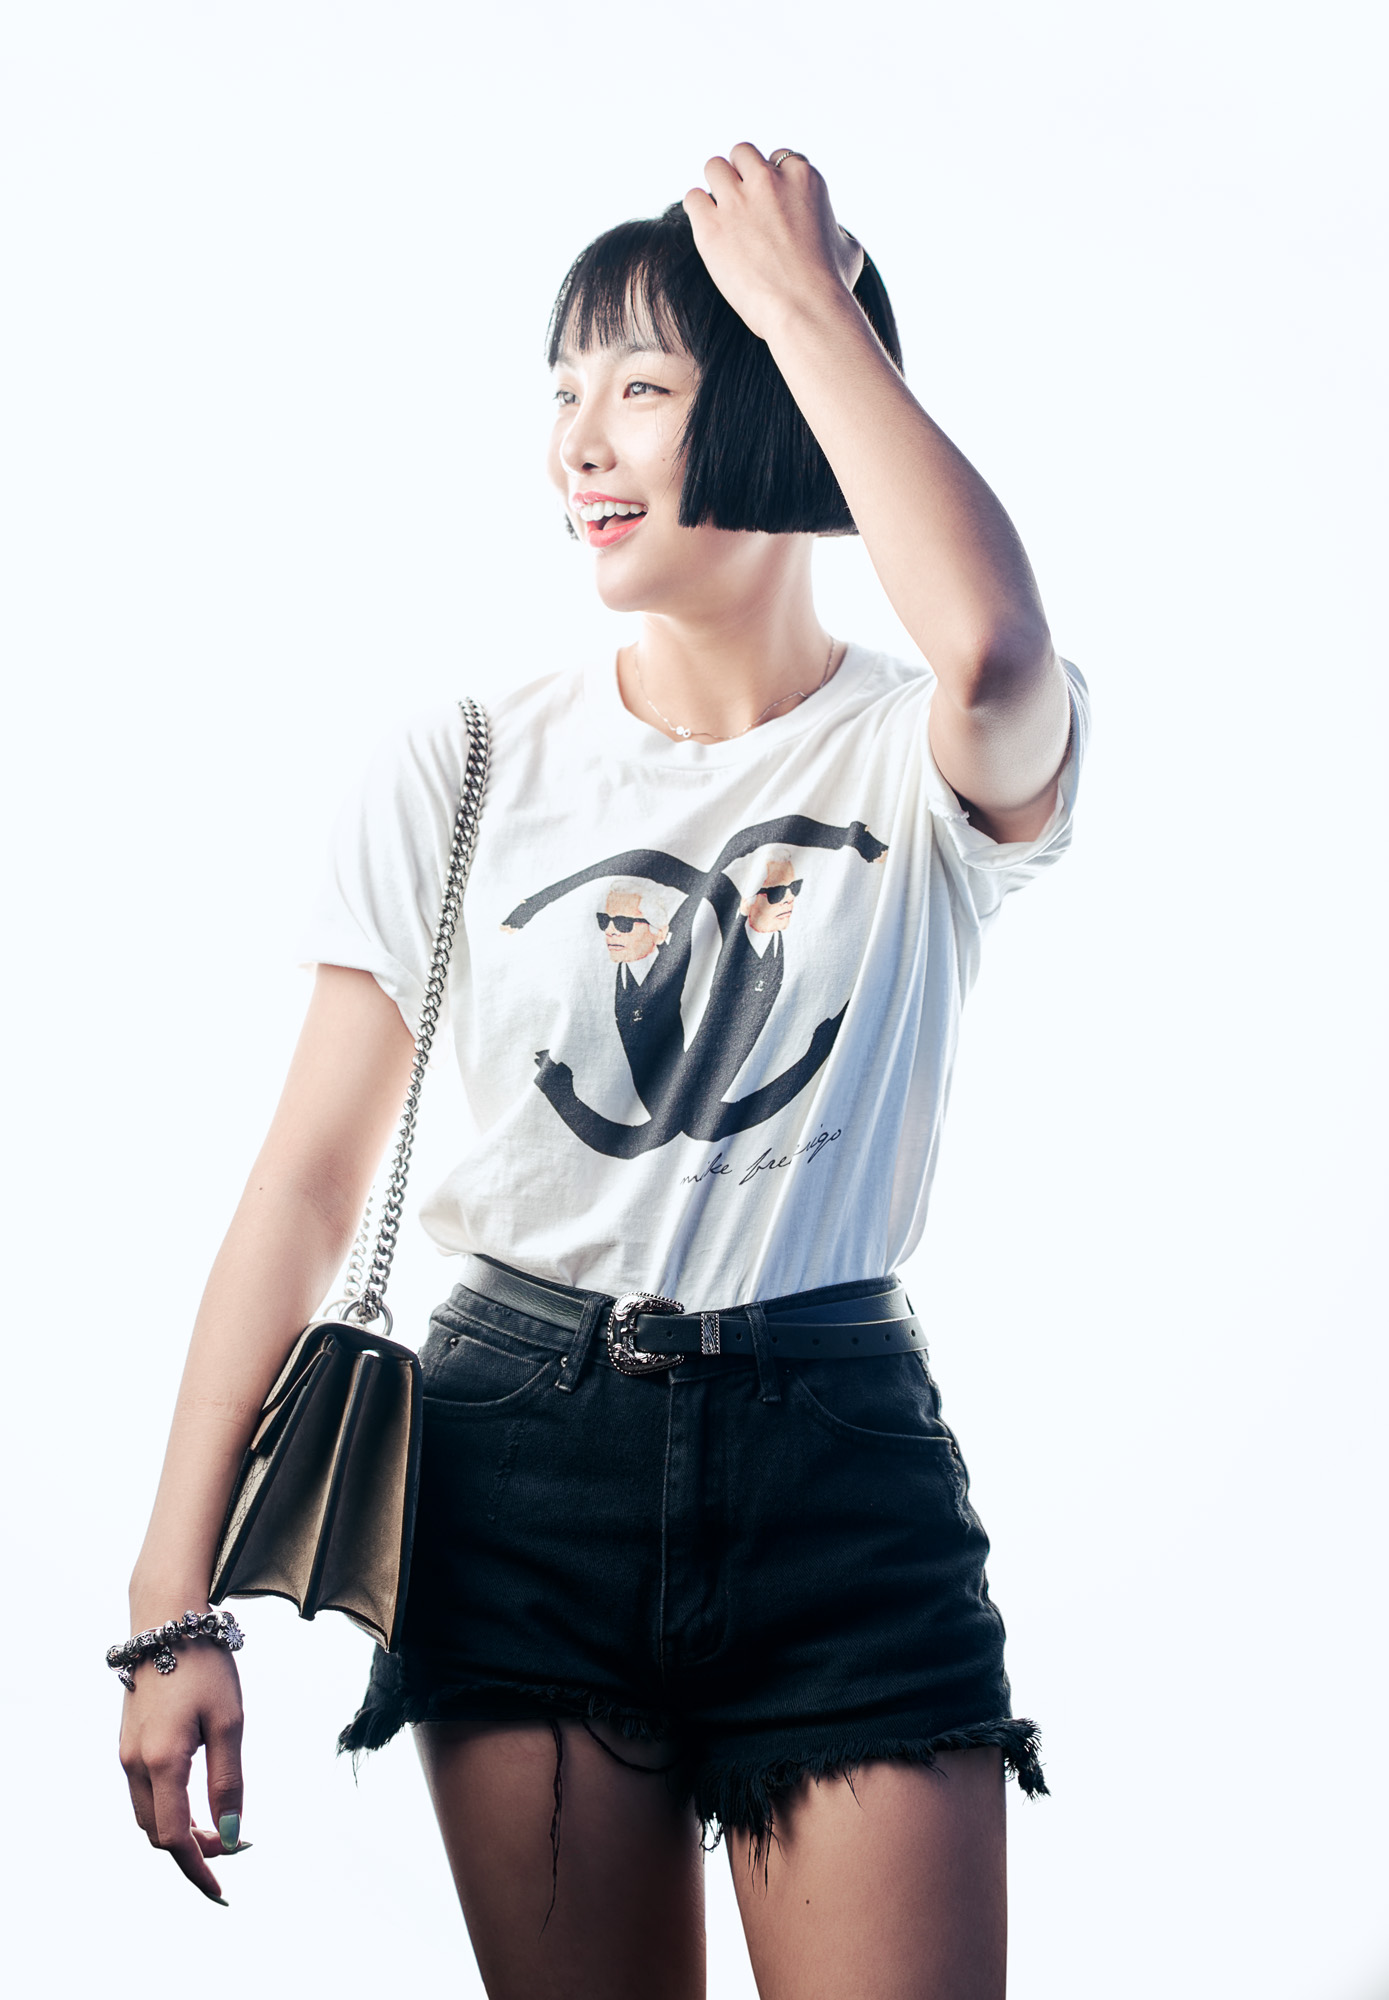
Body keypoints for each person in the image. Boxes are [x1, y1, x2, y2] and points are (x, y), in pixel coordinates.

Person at [118, 142, 1087, 1999]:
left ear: (789, 400)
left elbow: (994, 644)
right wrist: (171, 1608)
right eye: (560, 390)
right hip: (516, 1468)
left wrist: (804, 300)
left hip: (838, 1470)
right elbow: (305, 1183)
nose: (579, 443)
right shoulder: (468, 758)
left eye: (641, 388)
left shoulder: (921, 759)